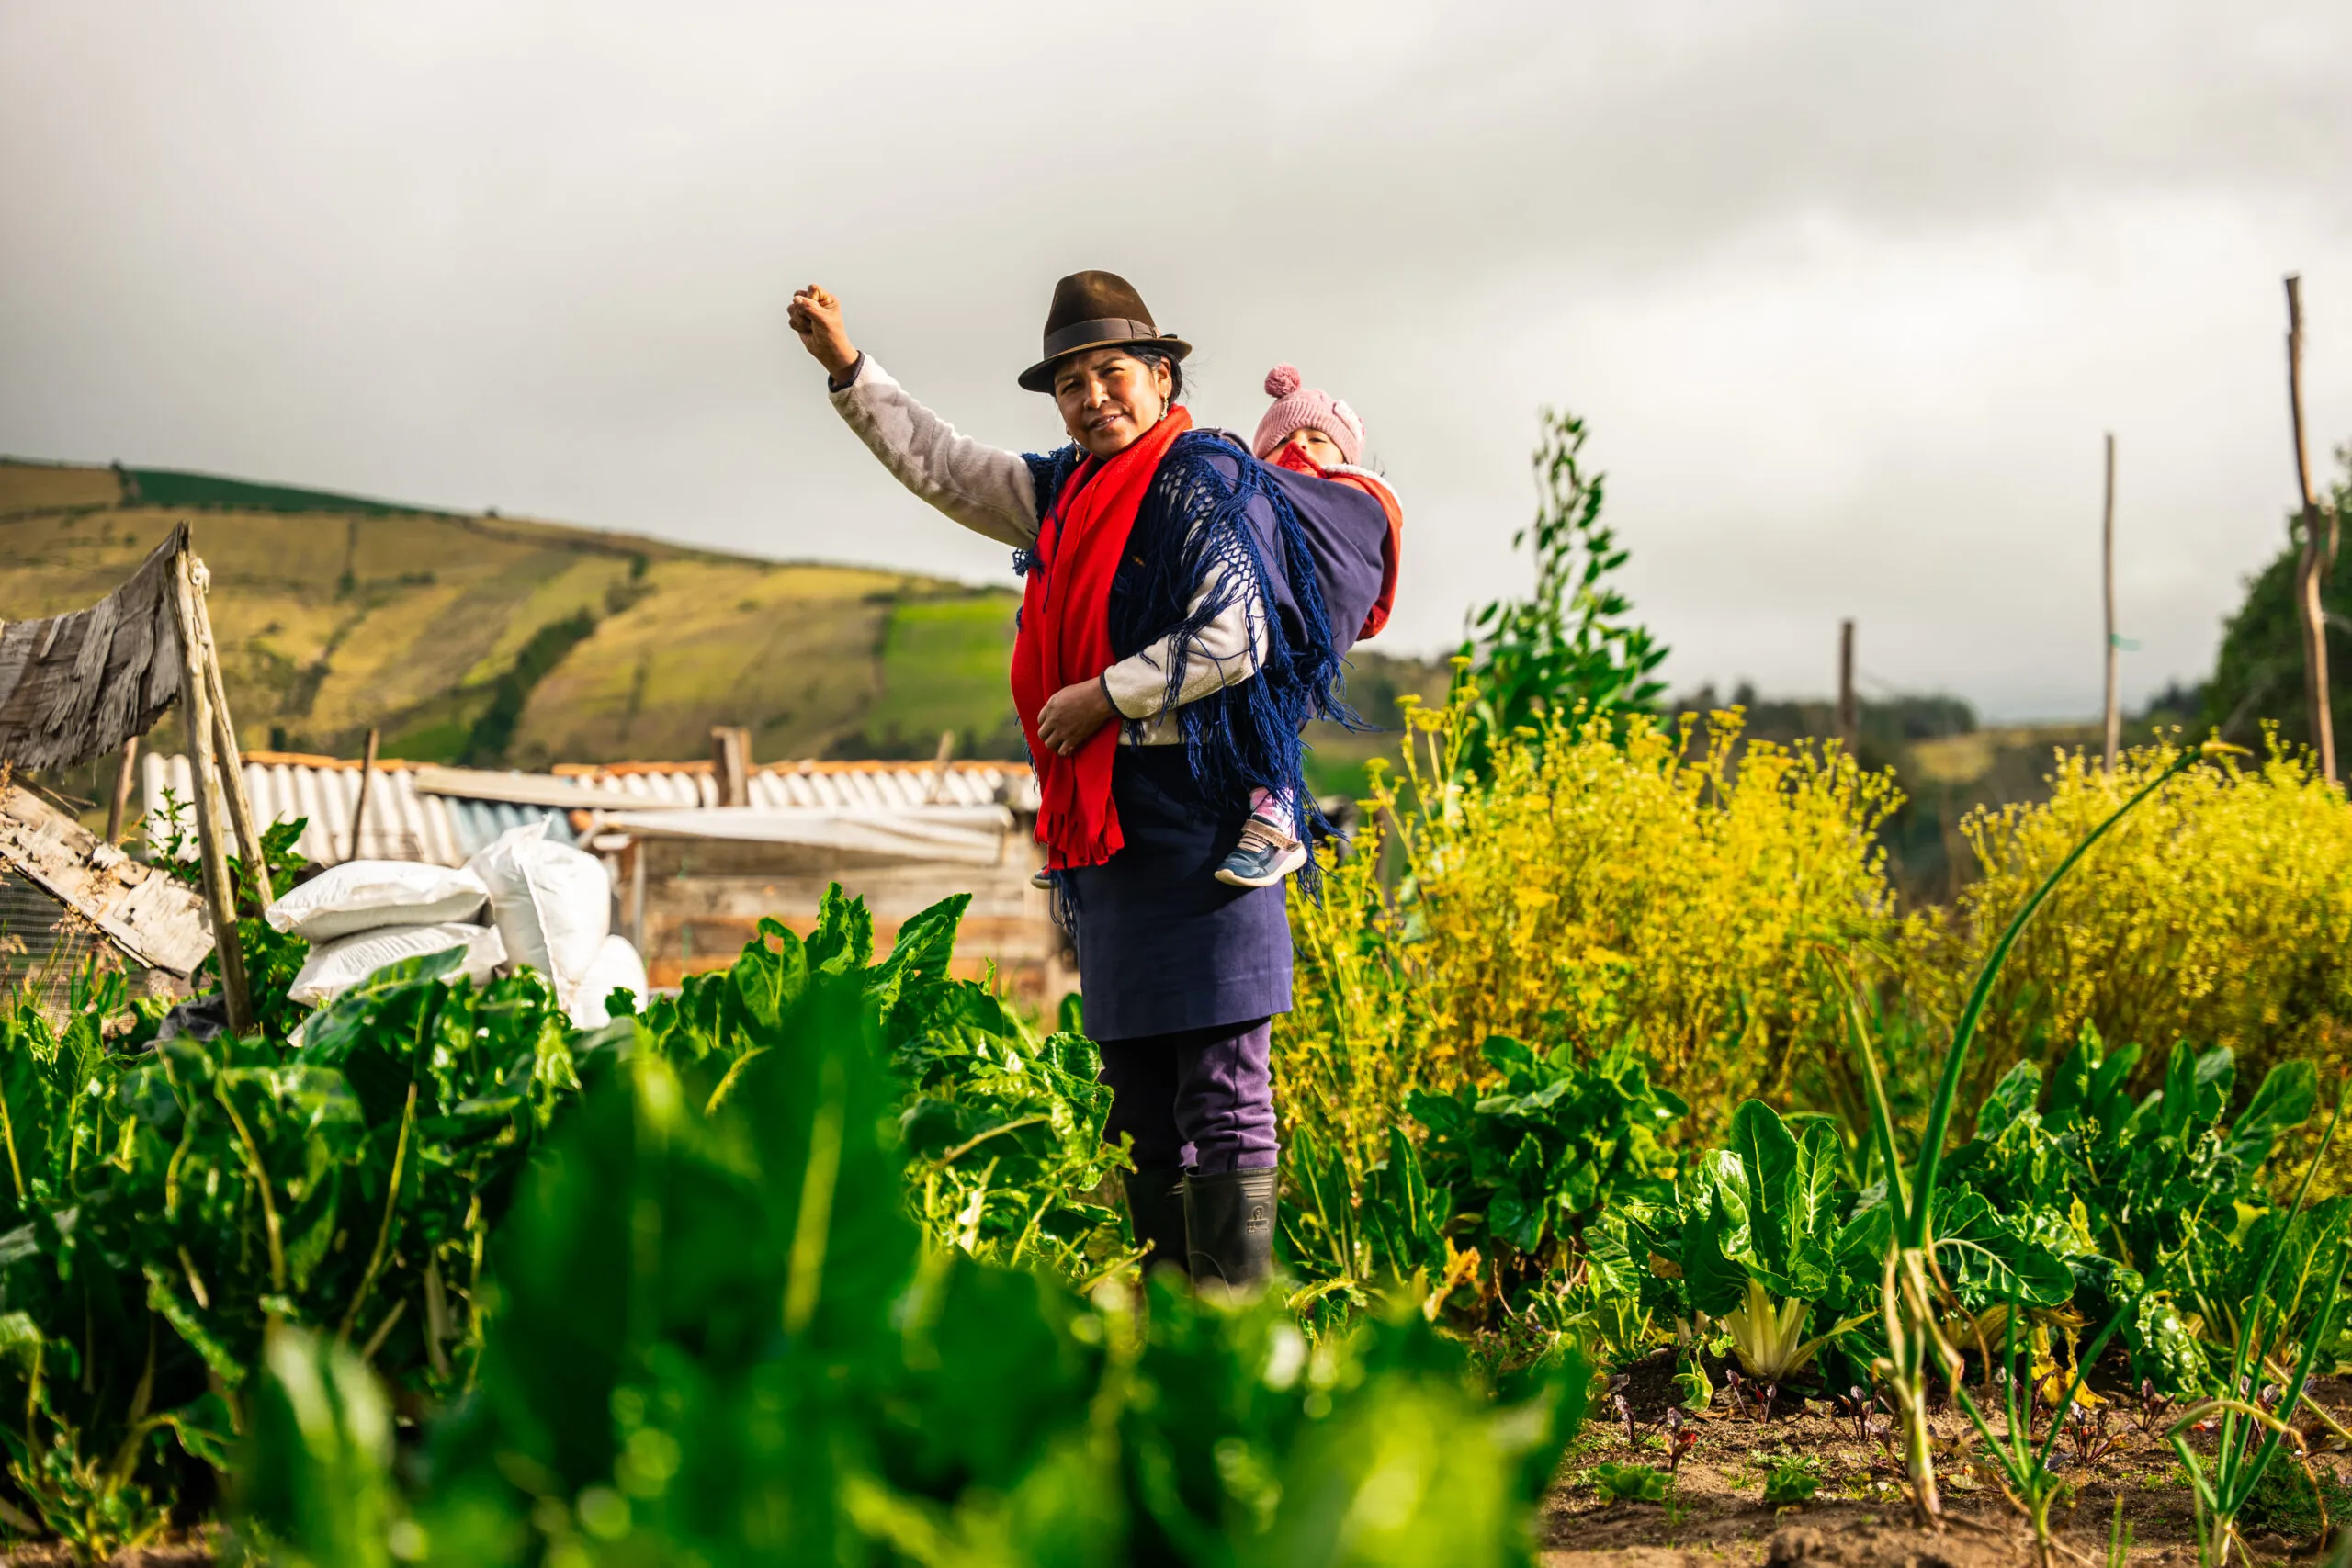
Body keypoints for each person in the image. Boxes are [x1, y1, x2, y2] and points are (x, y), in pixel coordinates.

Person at [786, 272, 1386, 1291]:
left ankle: (1231, 1330)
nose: (1092, 395)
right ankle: (1168, 1330)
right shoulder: (1064, 491)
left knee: (1223, 1086)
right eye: (1070, 381)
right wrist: (849, 368)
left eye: (1112, 371)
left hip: (1207, 821)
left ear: (1161, 378)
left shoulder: (1205, 484)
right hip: (1111, 832)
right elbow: (943, 464)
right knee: (1136, 1091)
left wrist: (1102, 697)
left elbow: (1234, 636)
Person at [1216, 365, 1404, 888]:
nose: (1300, 447)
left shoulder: (1356, 498)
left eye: (1317, 439)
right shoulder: (1255, 499)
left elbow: (1349, 568)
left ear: (1347, 456)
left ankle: (1276, 817)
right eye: (1285, 440)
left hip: (1304, 634)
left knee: (1269, 712)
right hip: (1253, 620)